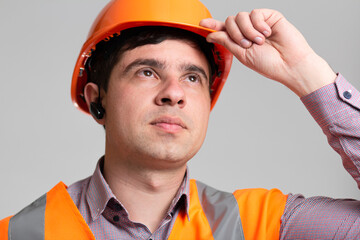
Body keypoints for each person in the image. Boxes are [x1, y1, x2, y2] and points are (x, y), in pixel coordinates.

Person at [1, 0, 359, 239]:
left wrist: (306, 73)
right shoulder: (19, 233)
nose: (174, 93)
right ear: (98, 100)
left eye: (192, 78)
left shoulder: (262, 225)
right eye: (146, 72)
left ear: (206, 104)